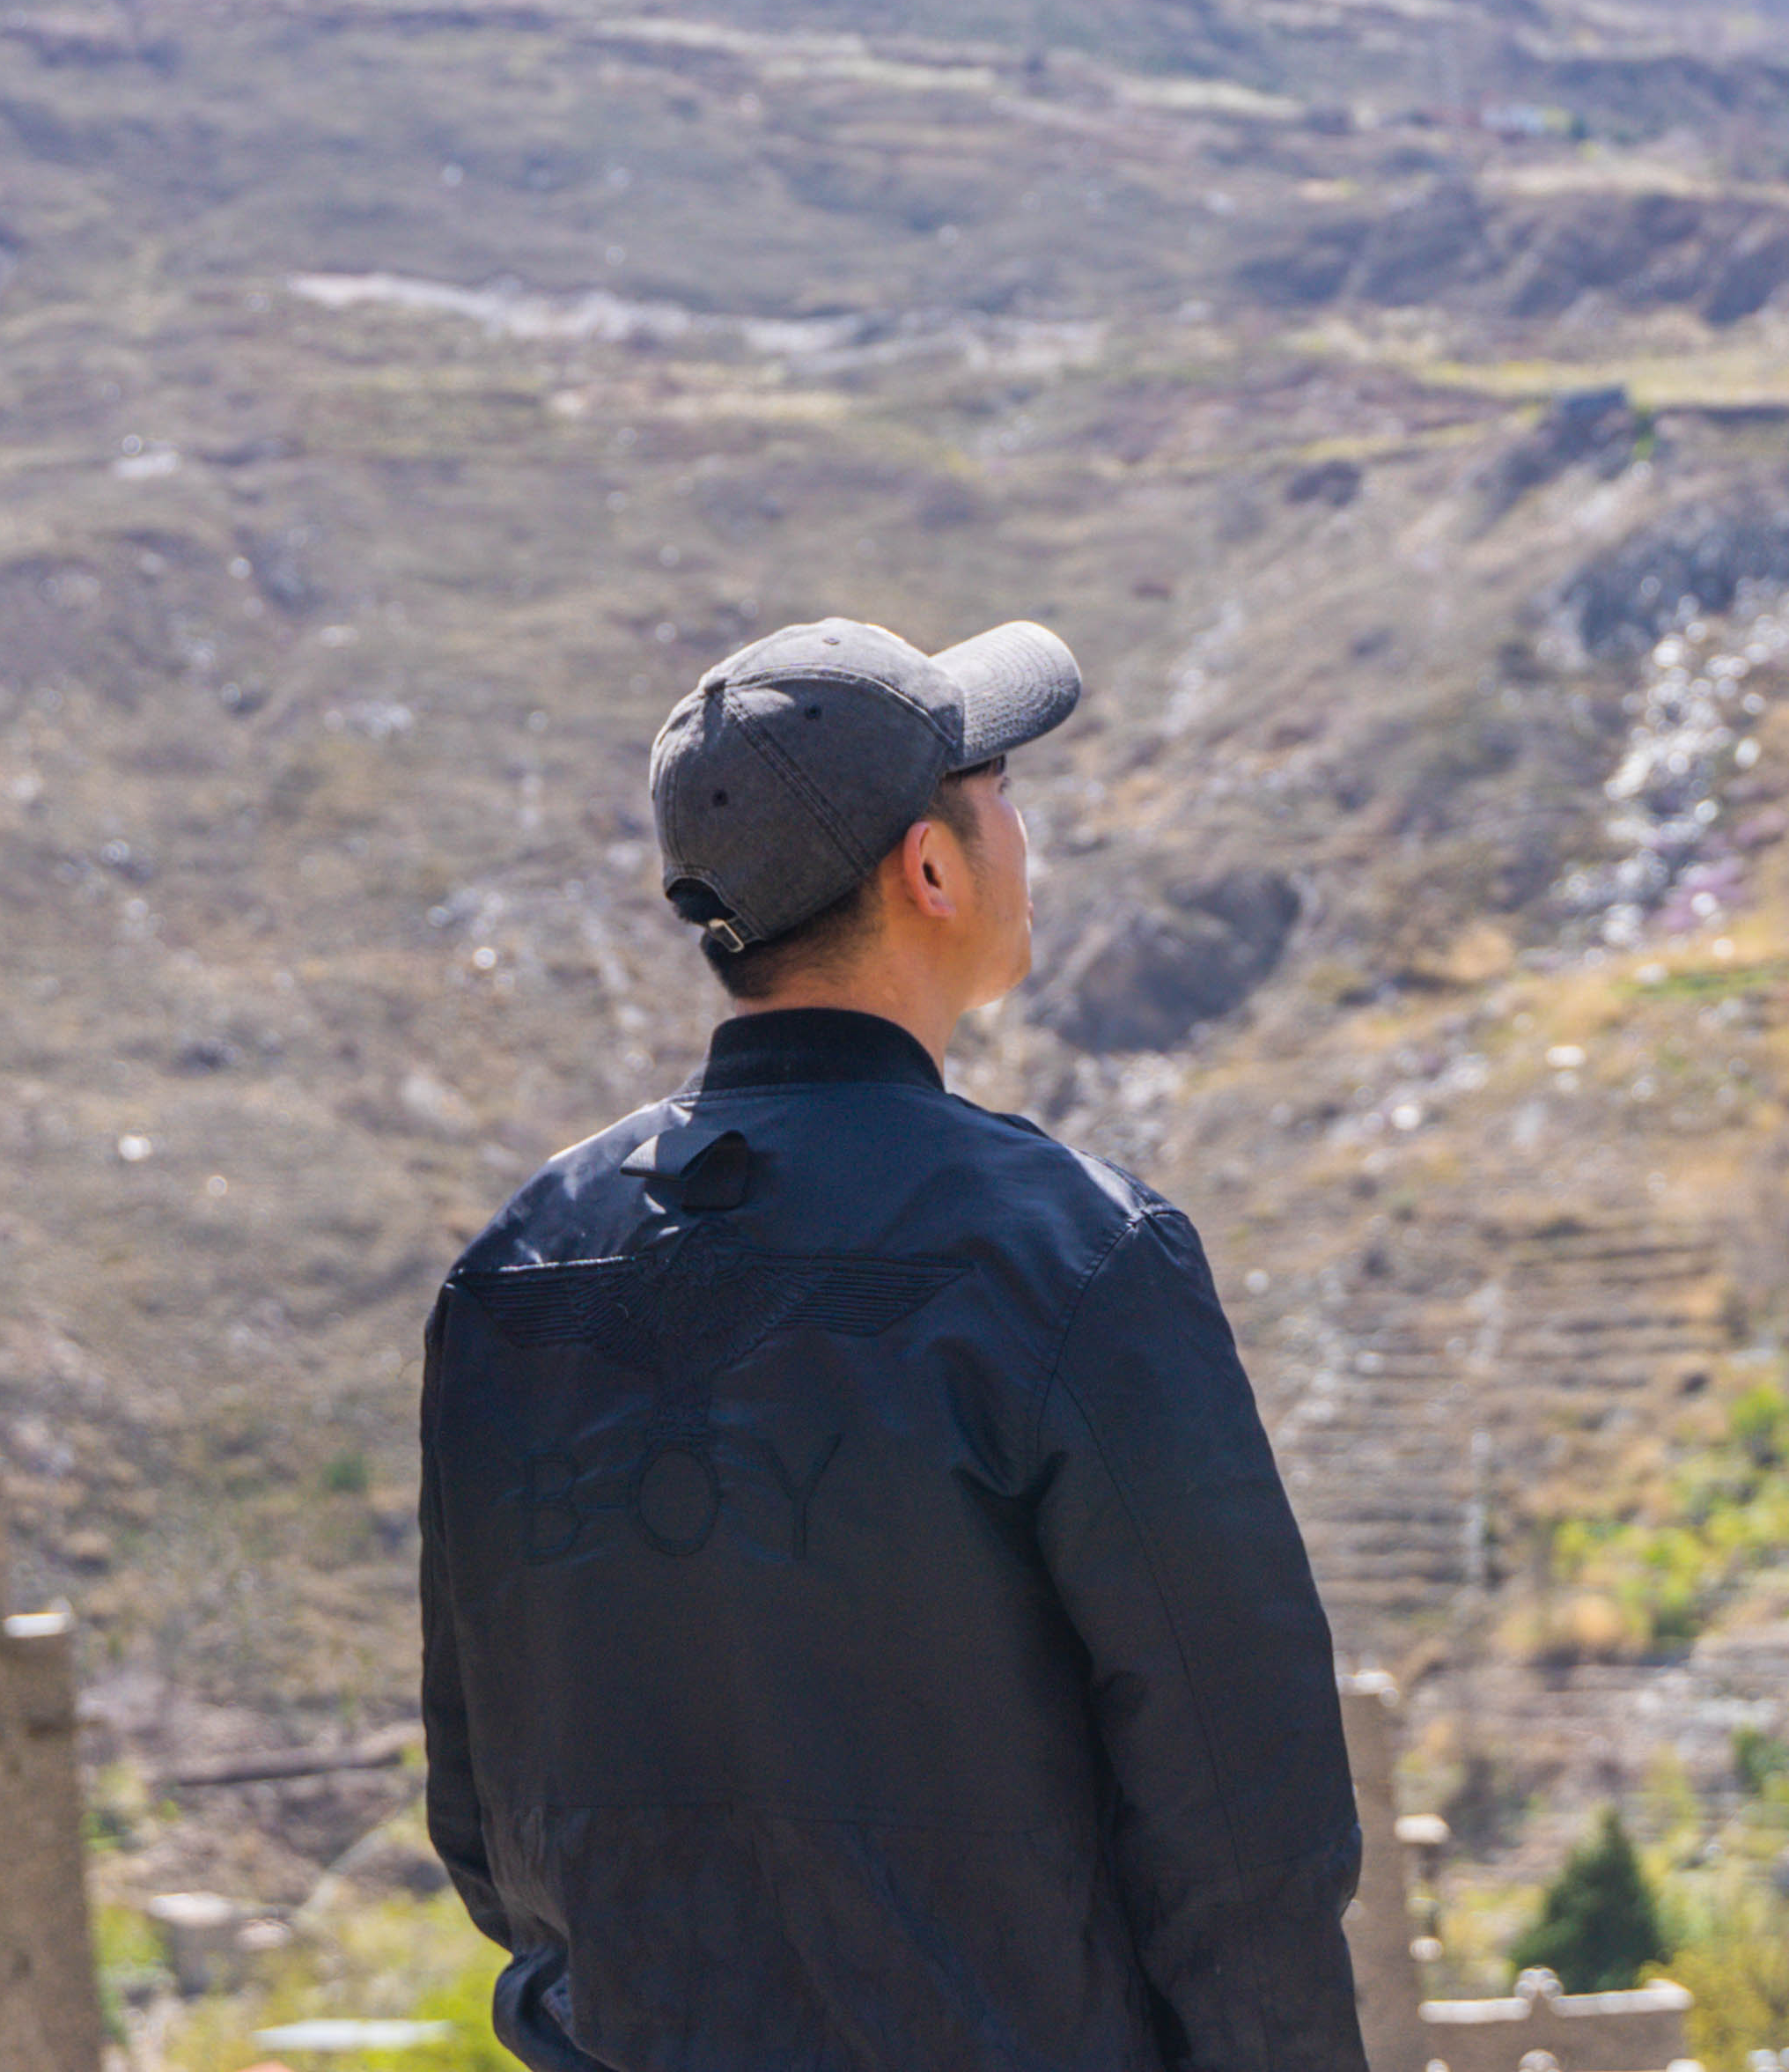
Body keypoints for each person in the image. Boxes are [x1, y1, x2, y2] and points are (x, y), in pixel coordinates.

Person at [419, 616, 1365, 2072]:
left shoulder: (516, 1278)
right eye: (999, 793)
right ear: (930, 868)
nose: (1026, 836)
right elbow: (1246, 1826)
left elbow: (489, 1826)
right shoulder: (1072, 1260)